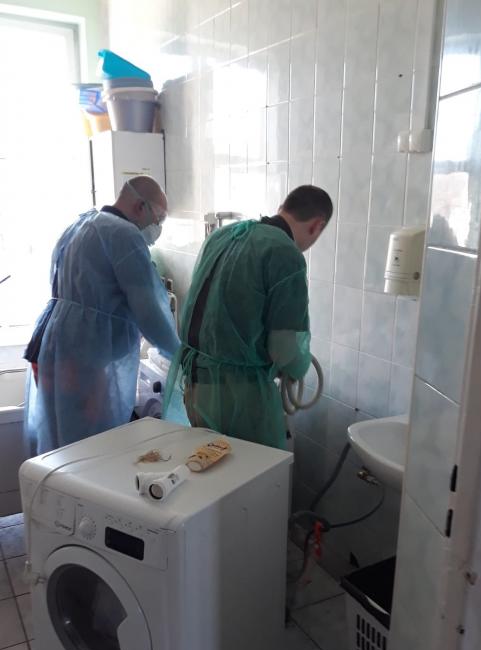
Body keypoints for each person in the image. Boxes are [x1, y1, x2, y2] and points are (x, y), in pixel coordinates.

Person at [164, 185, 333, 450]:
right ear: (316, 226)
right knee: (254, 473)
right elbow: (286, 349)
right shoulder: (285, 253)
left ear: (282, 209)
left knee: (209, 466)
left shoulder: (223, 235)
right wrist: (297, 367)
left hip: (196, 383)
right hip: (238, 398)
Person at [25, 176, 180, 454]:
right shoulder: (124, 235)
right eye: (159, 219)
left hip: (50, 347)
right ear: (140, 206)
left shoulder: (81, 224)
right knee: (91, 449)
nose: (157, 228)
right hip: (84, 358)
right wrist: (180, 355)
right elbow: (150, 310)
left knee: (61, 445)